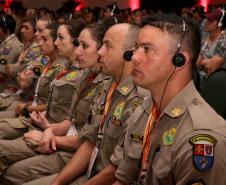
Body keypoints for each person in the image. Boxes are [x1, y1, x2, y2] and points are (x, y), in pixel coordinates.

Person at [22, 23, 148, 185]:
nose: (100, 52)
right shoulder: (107, 86)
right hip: (87, 167)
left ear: (130, 53)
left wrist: (49, 132)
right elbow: (90, 141)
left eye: (107, 46)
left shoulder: (139, 99)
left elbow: (118, 169)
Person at [112, 13, 226, 185]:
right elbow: (123, 179)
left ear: (179, 61)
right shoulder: (144, 110)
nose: (134, 57)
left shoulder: (201, 137)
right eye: (137, 47)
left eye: (147, 49)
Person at [0, 23, 112, 185]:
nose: (78, 50)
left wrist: (47, 131)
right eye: (77, 45)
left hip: (75, 152)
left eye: (84, 45)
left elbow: (88, 141)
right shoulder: (86, 74)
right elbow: (71, 121)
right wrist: (48, 128)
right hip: (57, 135)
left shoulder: (105, 84)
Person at [0, 24, 68, 139]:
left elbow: (50, 105)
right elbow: (20, 75)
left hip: (38, 116)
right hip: (31, 110)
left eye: (45, 39)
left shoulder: (61, 67)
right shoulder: (44, 59)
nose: (40, 42)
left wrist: (27, 108)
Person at [197, 7, 226, 87]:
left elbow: (212, 68)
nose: (206, 22)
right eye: (207, 19)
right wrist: (205, 62)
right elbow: (195, 60)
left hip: (213, 85)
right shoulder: (204, 37)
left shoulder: (223, 41)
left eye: (210, 21)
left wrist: (200, 62)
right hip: (198, 80)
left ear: (220, 23)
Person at [0, 13, 23, 91]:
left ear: (5, 29)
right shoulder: (6, 43)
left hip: (5, 88)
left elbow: (1, 73)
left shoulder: (11, 46)